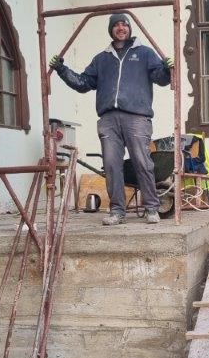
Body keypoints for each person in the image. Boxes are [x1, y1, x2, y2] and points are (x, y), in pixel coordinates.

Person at [49, 13, 173, 225]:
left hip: (137, 118)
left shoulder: (144, 53)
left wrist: (168, 69)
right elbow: (83, 83)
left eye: (124, 24)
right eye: (116, 25)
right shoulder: (101, 59)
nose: (121, 28)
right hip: (108, 119)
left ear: (130, 28)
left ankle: (152, 208)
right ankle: (117, 211)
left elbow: (160, 78)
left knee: (142, 162)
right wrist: (61, 69)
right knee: (111, 164)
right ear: (111, 30)